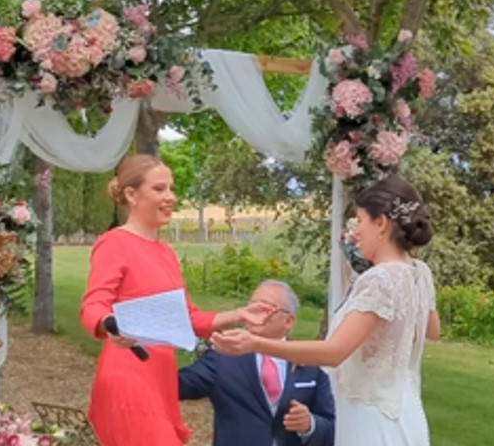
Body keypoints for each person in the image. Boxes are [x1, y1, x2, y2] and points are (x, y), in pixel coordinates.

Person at [212, 175, 441, 446]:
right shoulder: (419, 273)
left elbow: (334, 353)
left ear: (381, 224)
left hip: (371, 417)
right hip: (405, 411)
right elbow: (432, 331)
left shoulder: (381, 280)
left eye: (361, 221)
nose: (357, 232)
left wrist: (256, 343)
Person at [80, 154, 273, 446]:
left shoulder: (166, 254)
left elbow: (187, 318)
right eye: (159, 189)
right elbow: (93, 305)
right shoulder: (114, 243)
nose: (170, 197)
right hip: (128, 375)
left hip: (160, 378)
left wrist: (240, 314)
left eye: (171, 188)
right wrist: (110, 324)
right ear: (131, 195)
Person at [178, 280, 335, 446]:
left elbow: (331, 428)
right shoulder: (224, 357)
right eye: (252, 306)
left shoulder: (309, 363)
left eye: (266, 308)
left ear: (288, 321)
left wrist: (310, 424)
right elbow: (175, 386)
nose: (255, 314)